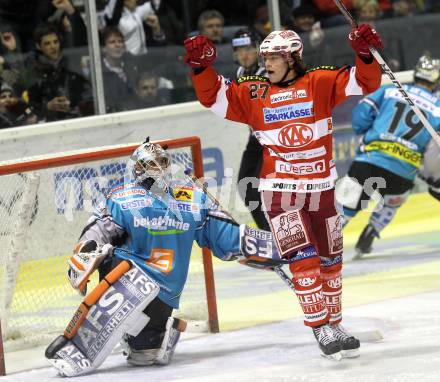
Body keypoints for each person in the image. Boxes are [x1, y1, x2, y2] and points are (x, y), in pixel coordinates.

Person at [183, 24, 383, 359]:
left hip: (321, 190)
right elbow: (212, 96)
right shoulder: (253, 92)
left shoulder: (319, 81)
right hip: (280, 190)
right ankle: (320, 326)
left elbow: (367, 81)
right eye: (265, 57)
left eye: (274, 56)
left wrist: (364, 54)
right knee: (303, 259)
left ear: (292, 57)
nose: (267, 63)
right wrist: (201, 67)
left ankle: (335, 323)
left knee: (331, 262)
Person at [337, 54, 440, 258]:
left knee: (346, 204)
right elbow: (434, 153)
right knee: (394, 200)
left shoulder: (390, 90)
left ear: (416, 74)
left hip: (370, 160)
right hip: (403, 171)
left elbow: (361, 114)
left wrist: (364, 131)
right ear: (436, 81)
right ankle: (372, 230)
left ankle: (322, 245)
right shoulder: (437, 108)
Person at [231, 28, 269, 231]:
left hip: (275, 139)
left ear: (258, 50)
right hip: (256, 137)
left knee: (262, 189)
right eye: (239, 49)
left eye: (248, 48)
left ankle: (280, 236)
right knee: (246, 185)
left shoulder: (269, 72)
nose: (244, 54)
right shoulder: (241, 73)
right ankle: (270, 235)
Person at [24, 24, 93, 122]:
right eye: (47, 43)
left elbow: (87, 91)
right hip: (52, 124)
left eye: (55, 42)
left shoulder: (71, 63)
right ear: (39, 46)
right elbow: (30, 108)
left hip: (79, 119)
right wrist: (48, 106)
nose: (53, 46)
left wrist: (82, 105)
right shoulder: (34, 72)